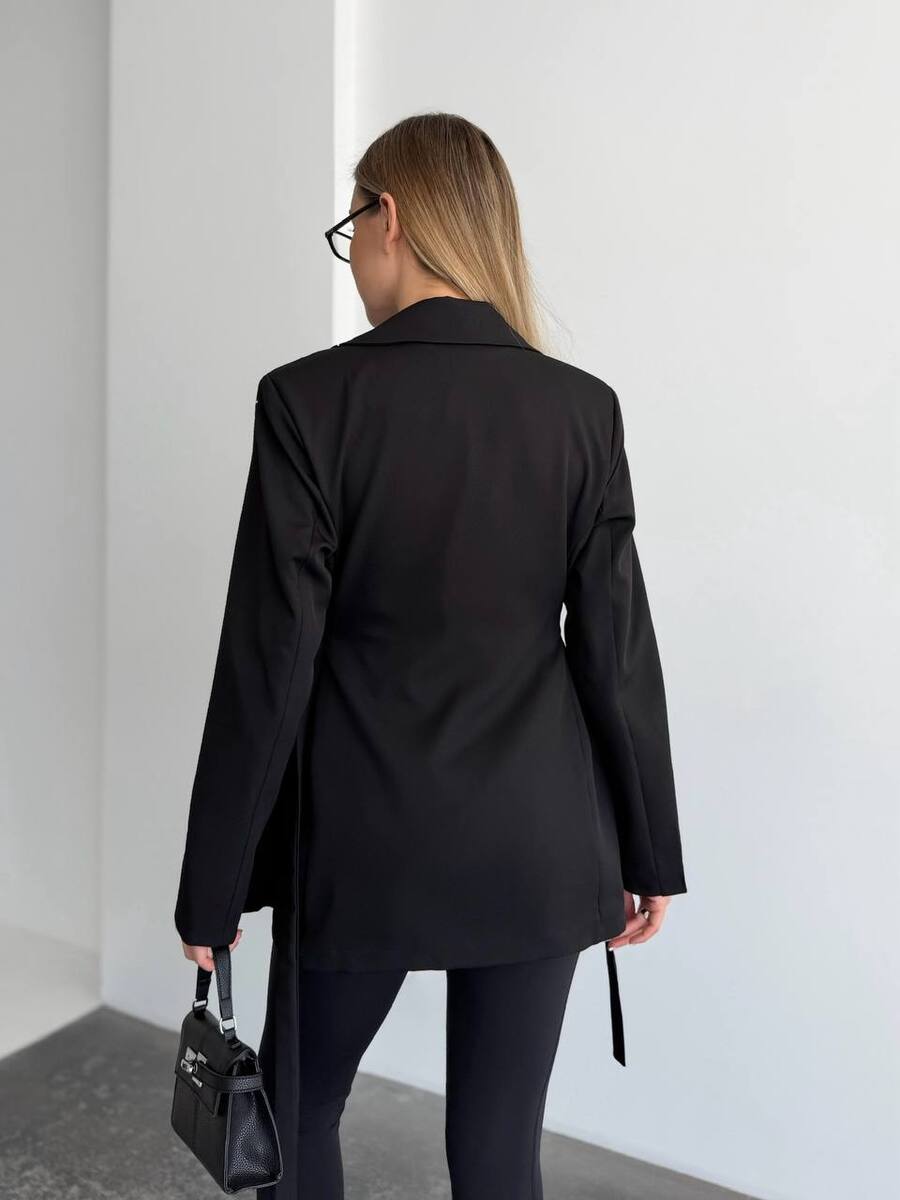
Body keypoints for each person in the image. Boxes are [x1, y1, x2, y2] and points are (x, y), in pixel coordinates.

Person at [174, 112, 687, 1200]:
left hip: (361, 846)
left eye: (350, 225)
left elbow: (268, 665)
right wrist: (650, 851)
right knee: (500, 1156)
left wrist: (212, 890)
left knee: (299, 1119)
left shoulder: (307, 401)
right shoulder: (582, 410)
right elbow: (617, 652)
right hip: (538, 843)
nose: (353, 252)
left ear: (390, 216)